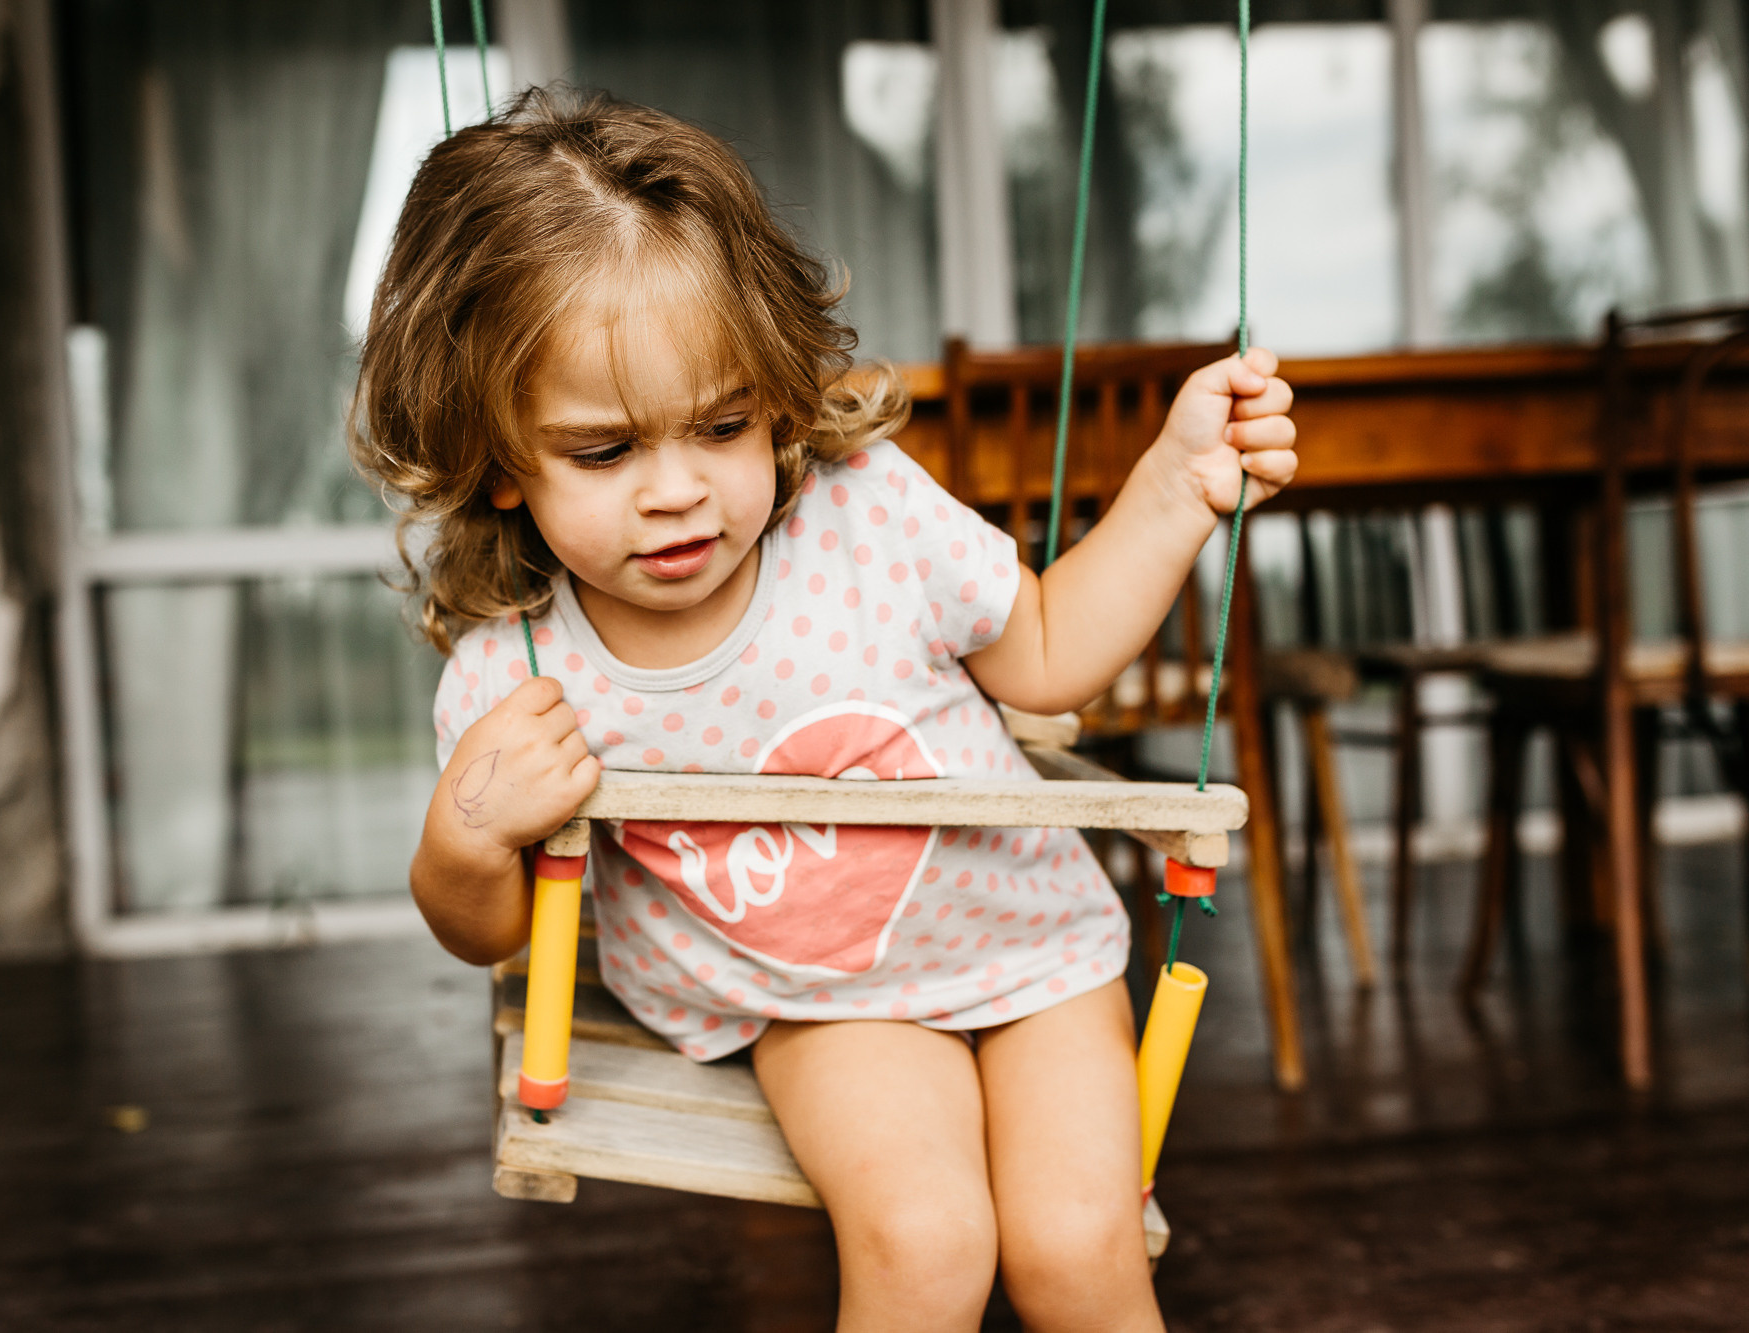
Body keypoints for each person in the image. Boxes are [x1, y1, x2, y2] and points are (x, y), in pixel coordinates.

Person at [353, 89, 1295, 1333]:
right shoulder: (519, 672)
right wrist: (464, 839)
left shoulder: (866, 518)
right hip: (821, 1002)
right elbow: (488, 932)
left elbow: (1053, 654)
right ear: (494, 459)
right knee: (926, 1243)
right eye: (602, 453)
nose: (676, 493)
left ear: (777, 399)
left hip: (1028, 945)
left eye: (723, 424)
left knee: (1079, 1252)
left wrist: (1175, 488)